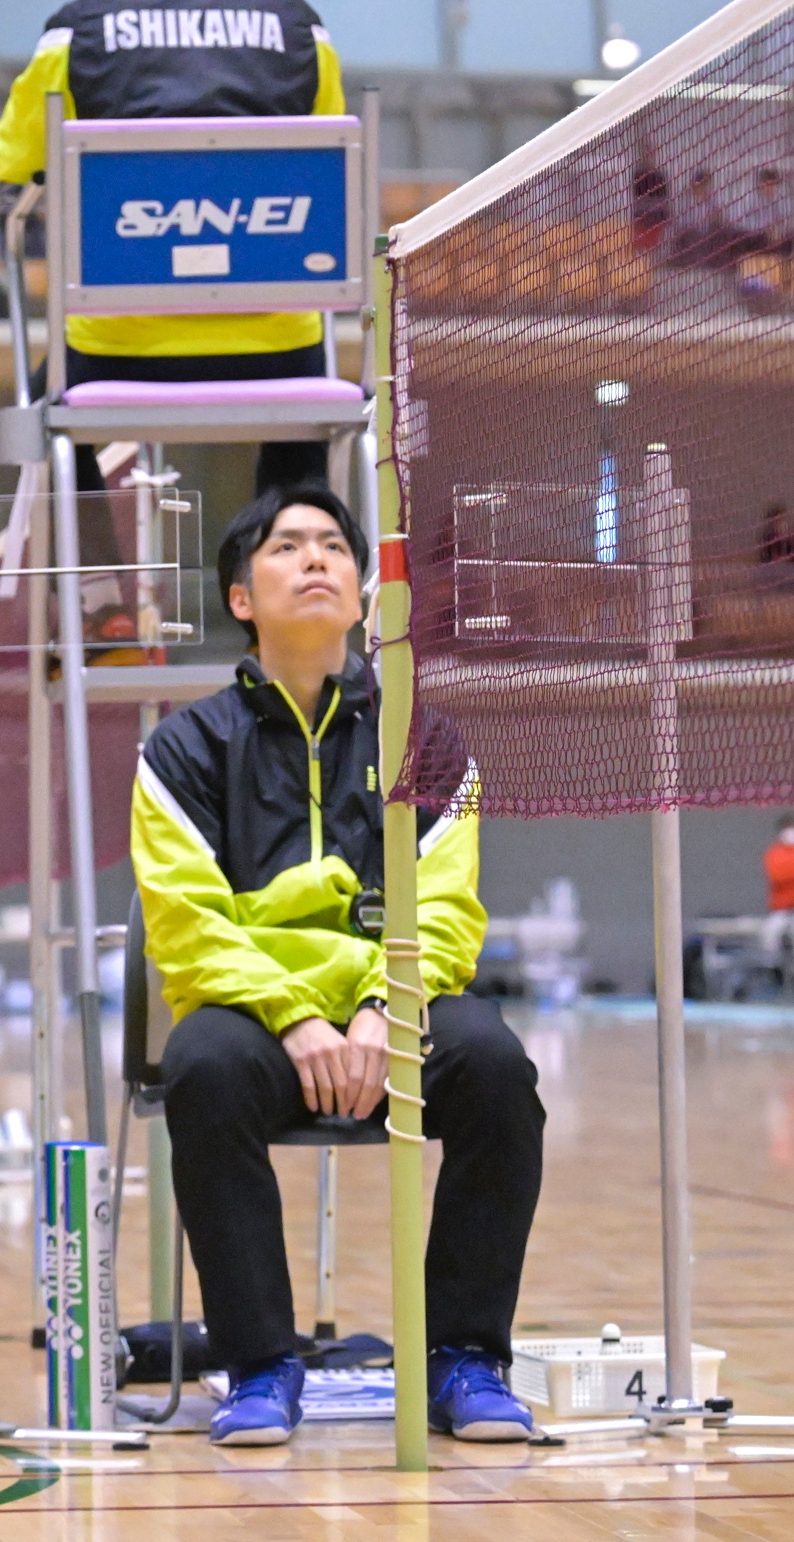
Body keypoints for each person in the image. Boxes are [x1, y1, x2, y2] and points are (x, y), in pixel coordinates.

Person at [131, 486, 545, 1447]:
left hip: (391, 1013)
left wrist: (377, 1008)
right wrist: (295, 1016)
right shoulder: (183, 748)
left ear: (363, 593)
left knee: (495, 1067)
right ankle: (260, 1365)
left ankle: (462, 1356)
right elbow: (187, 922)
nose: (315, 558)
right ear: (242, 598)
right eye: (286, 546)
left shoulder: (425, 741)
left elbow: (446, 909)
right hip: (258, 1022)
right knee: (204, 1068)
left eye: (333, 546)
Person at [0, 0, 348, 608]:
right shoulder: (299, 30)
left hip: (119, 349)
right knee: (301, 432)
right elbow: (327, 153)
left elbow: (14, 162)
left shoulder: (76, 33)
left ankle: (98, 603)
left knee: (40, 411)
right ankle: (287, 609)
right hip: (277, 346)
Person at [668, 170, 734, 268]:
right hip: (688, 232)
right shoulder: (685, 199)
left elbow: (720, 218)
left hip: (706, 232)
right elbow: (681, 221)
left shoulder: (710, 199)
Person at [734, 169, 794, 256]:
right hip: (750, 236)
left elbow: (783, 220)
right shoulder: (749, 198)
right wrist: (766, 229)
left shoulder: (778, 199)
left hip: (769, 236)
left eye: (774, 185)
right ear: (760, 184)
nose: (771, 189)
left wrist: (778, 230)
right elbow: (741, 223)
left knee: (788, 237)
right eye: (768, 185)